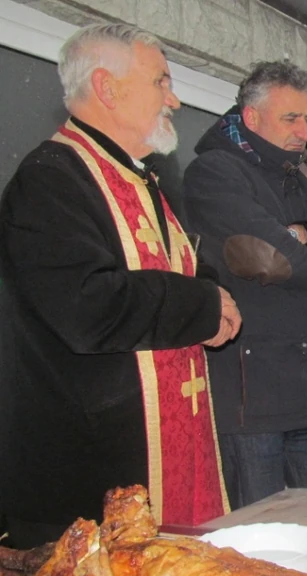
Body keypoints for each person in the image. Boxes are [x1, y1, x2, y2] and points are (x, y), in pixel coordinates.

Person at [0, 23, 241, 547]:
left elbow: (179, 265)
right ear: (107, 87)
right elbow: (88, 306)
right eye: (161, 82)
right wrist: (203, 304)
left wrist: (213, 295)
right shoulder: (50, 179)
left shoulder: (138, 178)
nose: (174, 99)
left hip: (168, 444)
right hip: (90, 472)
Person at [182, 61, 307, 509]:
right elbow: (267, 256)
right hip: (254, 406)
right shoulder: (215, 172)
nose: (304, 132)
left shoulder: (302, 174)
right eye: (291, 119)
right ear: (251, 117)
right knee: (264, 537)